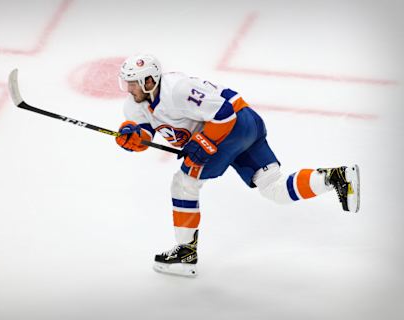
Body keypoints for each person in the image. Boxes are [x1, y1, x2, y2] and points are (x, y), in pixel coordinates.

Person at [115, 54, 360, 277]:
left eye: (133, 82)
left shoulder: (177, 89)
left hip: (233, 127)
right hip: (243, 125)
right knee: (274, 188)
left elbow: (224, 114)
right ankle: (336, 178)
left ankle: (185, 253)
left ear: (149, 81)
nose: (129, 88)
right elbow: (144, 135)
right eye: (127, 82)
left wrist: (202, 142)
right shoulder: (135, 103)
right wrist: (132, 136)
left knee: (183, 183)